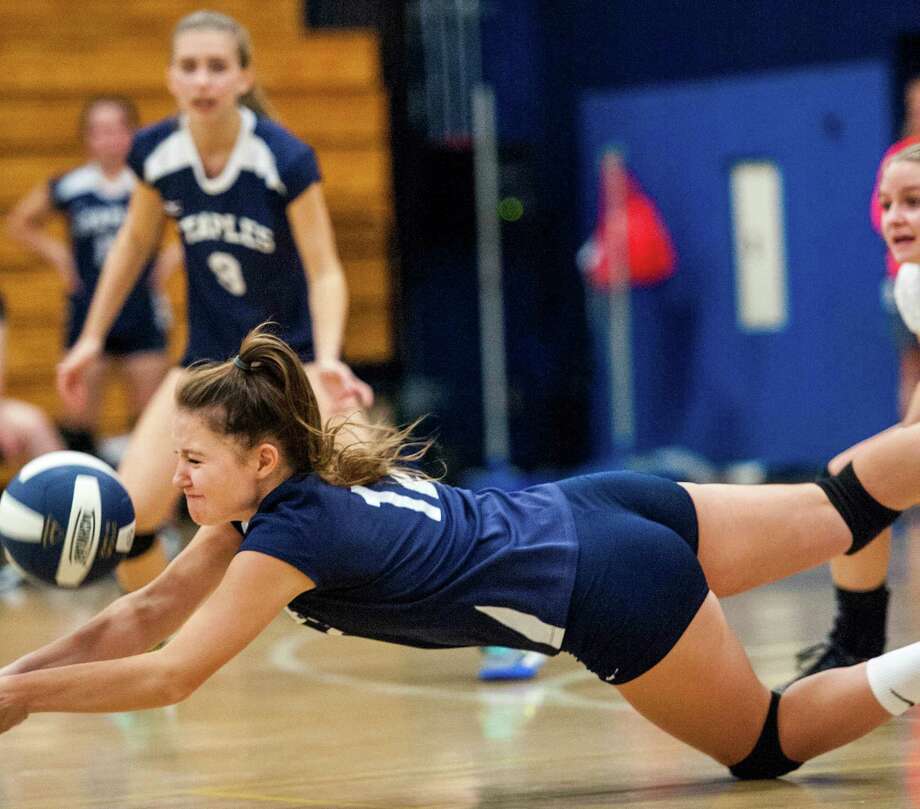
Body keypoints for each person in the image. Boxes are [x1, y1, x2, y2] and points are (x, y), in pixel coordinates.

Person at [6, 324, 920, 783]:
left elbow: (171, 673)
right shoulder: (297, 486)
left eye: (192, 460)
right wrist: (17, 674)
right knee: (838, 506)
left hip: (603, 585)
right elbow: (144, 611)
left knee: (765, 744)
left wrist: (25, 694)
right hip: (593, 504)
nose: (178, 480)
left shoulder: (291, 532)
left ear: (262, 459)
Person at [55, 11, 371, 593]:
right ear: (171, 77)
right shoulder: (156, 152)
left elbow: (326, 270)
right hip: (205, 364)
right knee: (125, 522)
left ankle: (486, 592)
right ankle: (158, 658)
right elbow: (132, 245)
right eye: (190, 67)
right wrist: (90, 339)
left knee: (380, 495)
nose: (203, 81)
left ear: (243, 78)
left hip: (291, 362)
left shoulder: (284, 158)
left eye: (217, 67)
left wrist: (329, 357)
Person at [790, 124, 920, 683]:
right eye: (887, 203)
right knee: (850, 480)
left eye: (914, 203)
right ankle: (856, 642)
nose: (894, 217)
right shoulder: (910, 283)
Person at [6, 95, 175, 459]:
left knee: (149, 420)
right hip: (88, 311)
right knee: (78, 419)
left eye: (116, 130)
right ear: (86, 138)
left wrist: (170, 261)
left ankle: (149, 510)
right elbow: (19, 222)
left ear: (133, 133)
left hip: (142, 310)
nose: (108, 139)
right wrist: (58, 254)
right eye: (98, 131)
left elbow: (197, 220)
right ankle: (80, 503)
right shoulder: (72, 185)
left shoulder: (149, 185)